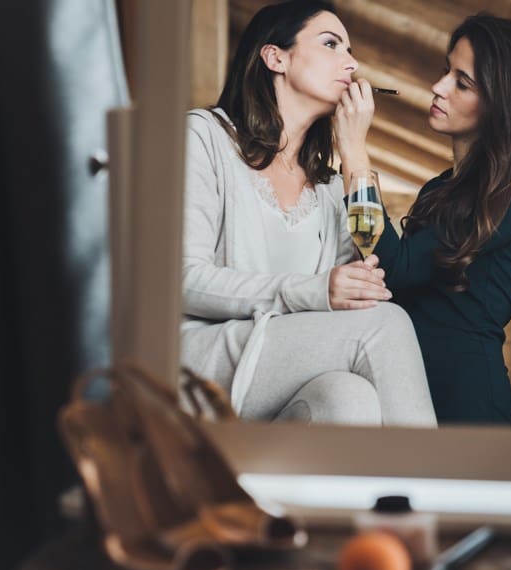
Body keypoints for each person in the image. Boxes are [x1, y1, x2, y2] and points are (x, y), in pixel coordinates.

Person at [180, 0, 436, 427]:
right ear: (275, 56)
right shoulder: (205, 138)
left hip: (285, 373)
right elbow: (182, 281)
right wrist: (311, 290)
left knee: (349, 399)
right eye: (332, 43)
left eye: (351, 52)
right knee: (385, 325)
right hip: (203, 362)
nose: (351, 63)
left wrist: (355, 151)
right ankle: (434, 492)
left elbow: (373, 252)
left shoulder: (330, 188)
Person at [370, 14, 511, 424]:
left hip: (468, 408)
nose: (437, 88)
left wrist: (353, 157)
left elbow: (394, 269)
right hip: (406, 389)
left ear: (502, 103)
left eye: (463, 82)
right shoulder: (439, 189)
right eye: (445, 71)